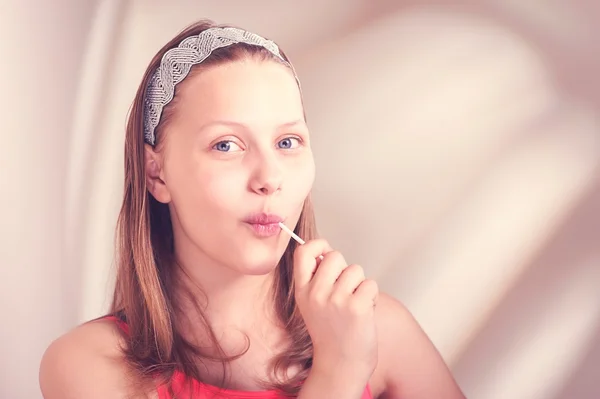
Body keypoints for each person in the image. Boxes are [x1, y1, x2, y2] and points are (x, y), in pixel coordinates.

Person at [39, 20, 466, 399]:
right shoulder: (87, 365)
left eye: (287, 143)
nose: (269, 177)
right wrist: (340, 373)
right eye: (227, 145)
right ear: (157, 175)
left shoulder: (381, 329)